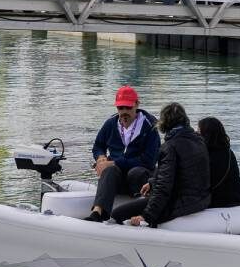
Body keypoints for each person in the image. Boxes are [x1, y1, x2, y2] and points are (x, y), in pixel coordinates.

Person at [112, 102, 211, 227]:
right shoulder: (198, 140)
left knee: (117, 213)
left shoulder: (170, 147)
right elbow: (184, 172)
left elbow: (164, 188)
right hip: (202, 199)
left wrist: (146, 216)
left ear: (165, 123)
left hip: (182, 202)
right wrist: (153, 182)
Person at [84, 86, 162, 222]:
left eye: (128, 107)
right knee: (109, 170)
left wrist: (115, 162)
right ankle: (97, 212)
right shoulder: (110, 123)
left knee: (135, 172)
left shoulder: (150, 126)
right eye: (120, 108)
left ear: (137, 105)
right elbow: (98, 146)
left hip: (139, 179)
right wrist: (100, 157)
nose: (124, 112)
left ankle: (140, 210)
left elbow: (149, 160)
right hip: (118, 178)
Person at [197, 116, 240, 208]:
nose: (196, 135)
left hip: (216, 204)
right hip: (237, 200)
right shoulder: (229, 153)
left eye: (199, 132)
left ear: (206, 135)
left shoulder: (203, 156)